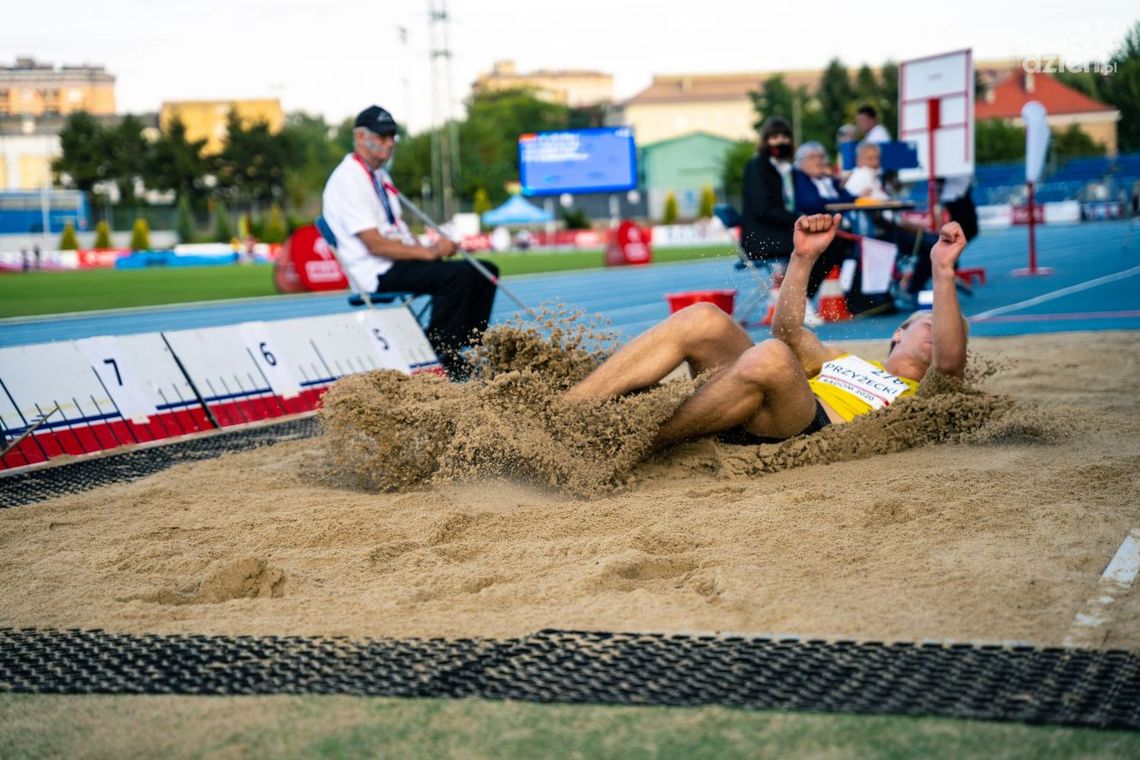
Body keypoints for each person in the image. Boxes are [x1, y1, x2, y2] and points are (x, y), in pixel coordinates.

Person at [565, 215, 969, 449]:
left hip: (811, 429)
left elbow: (950, 362)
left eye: (952, 331)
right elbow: (789, 331)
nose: (942, 334)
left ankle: (627, 443)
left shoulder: (929, 398)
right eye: (930, 322)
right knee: (704, 317)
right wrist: (803, 257)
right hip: (772, 397)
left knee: (772, 356)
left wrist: (942, 271)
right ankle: (565, 414)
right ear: (899, 331)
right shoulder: (839, 360)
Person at [322, 105, 498, 380]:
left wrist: (436, 244)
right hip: (376, 271)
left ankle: (469, 346)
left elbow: (396, 232)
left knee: (485, 271)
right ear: (359, 137)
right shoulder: (349, 179)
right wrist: (428, 253)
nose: (389, 143)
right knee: (458, 277)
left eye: (392, 136)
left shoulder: (379, 176)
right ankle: (443, 351)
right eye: (381, 136)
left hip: (397, 261)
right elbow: (375, 244)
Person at [791, 142, 855, 302]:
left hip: (839, 229)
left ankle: (858, 298)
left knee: (864, 244)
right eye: (812, 158)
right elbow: (812, 203)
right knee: (835, 246)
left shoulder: (829, 180)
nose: (818, 161)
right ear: (800, 163)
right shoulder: (799, 178)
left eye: (820, 157)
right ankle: (803, 296)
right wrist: (836, 200)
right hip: (812, 229)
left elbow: (850, 198)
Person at [740, 117, 798, 266]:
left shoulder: (787, 168)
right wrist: (798, 218)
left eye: (785, 137)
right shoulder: (757, 167)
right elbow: (762, 209)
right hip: (764, 237)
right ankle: (799, 289)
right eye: (775, 137)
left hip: (783, 231)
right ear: (765, 141)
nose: (781, 141)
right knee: (821, 247)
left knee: (831, 243)